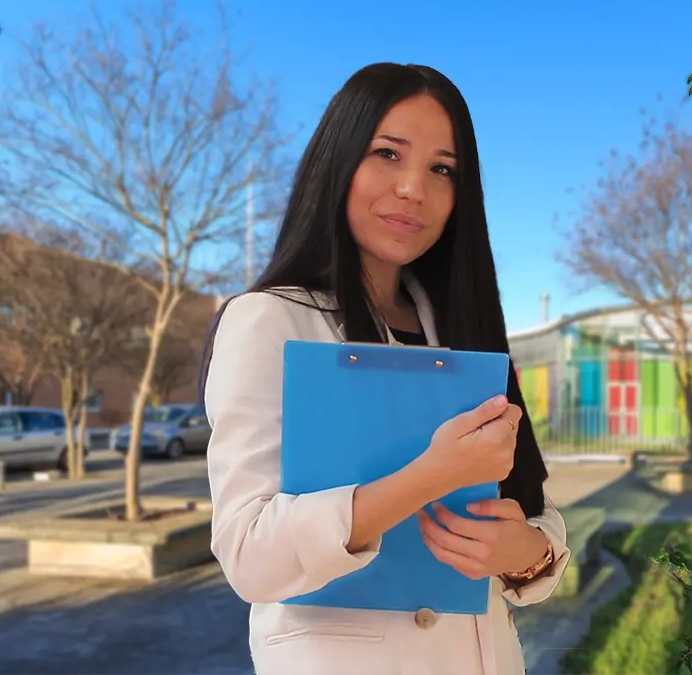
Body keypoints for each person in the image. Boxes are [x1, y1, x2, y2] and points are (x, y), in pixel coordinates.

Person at [200, 62, 571, 675]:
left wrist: (526, 551)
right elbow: (249, 555)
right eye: (388, 154)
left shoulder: (462, 332)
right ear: (337, 161)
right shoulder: (268, 321)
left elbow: (530, 503)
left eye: (441, 169)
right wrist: (429, 476)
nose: (412, 189)